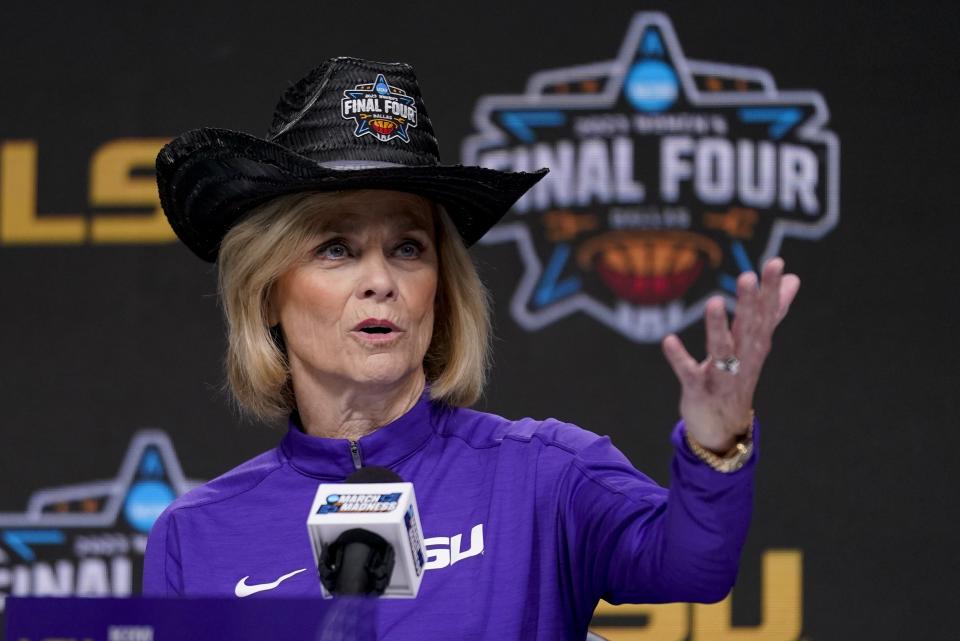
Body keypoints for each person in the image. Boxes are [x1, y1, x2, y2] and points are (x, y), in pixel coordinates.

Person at [143, 57, 800, 640]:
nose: (381, 281)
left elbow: (693, 565)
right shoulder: (193, 537)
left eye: (408, 247)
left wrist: (717, 445)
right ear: (266, 293)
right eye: (336, 248)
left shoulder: (544, 474)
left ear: (442, 287)